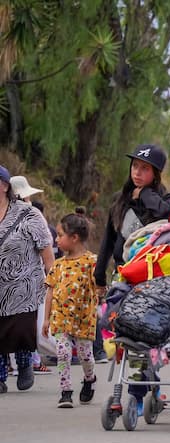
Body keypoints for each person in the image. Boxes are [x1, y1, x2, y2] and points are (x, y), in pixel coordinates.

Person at [95, 144, 170, 366]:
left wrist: (145, 194)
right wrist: (99, 278)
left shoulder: (168, 199)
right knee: (126, 334)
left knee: (147, 335)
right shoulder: (119, 201)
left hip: (154, 280)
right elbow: (108, 241)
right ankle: (137, 390)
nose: (137, 173)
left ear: (156, 174)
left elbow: (164, 212)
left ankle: (144, 387)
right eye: (134, 166)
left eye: (145, 168)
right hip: (123, 276)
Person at [0, 165, 54, 393]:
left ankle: (24, 365)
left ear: (4, 186)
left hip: (24, 285)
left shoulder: (28, 213)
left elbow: (46, 249)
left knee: (21, 330)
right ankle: (0, 375)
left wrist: (54, 280)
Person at [41, 208, 98, 408]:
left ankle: (89, 378)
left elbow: (99, 288)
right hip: (60, 319)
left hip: (83, 319)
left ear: (74, 238)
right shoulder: (58, 265)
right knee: (63, 353)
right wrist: (47, 319)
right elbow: (50, 292)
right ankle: (66, 391)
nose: (56, 240)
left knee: (85, 356)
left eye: (60, 235)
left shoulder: (92, 262)